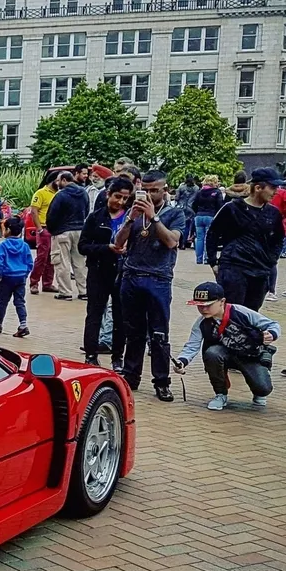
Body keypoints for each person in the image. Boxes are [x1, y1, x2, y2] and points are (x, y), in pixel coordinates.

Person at [114, 170, 185, 401]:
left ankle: (162, 381)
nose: (149, 194)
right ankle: (131, 376)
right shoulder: (134, 212)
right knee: (133, 332)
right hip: (132, 276)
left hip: (158, 278)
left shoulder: (175, 213)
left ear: (165, 190)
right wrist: (130, 218)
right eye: (145, 189)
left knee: (159, 334)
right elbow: (118, 242)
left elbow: (172, 241)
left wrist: (154, 217)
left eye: (154, 190)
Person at [175, 281, 280, 411]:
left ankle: (258, 391)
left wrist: (272, 334)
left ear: (222, 301)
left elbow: (273, 325)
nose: (203, 309)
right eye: (199, 306)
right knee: (212, 353)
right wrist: (182, 361)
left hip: (249, 355)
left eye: (208, 305)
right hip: (223, 355)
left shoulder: (241, 312)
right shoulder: (201, 323)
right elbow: (192, 346)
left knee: (263, 389)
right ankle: (220, 394)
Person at [205, 167, 286, 311]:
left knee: (252, 315)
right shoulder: (232, 208)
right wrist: (213, 262)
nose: (276, 192)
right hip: (233, 267)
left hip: (260, 270)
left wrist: (271, 260)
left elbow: (279, 239)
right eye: (272, 187)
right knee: (233, 312)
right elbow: (213, 233)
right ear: (258, 187)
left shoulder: (273, 213)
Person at [79, 175, 133, 369]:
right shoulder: (95, 217)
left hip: (123, 272)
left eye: (125, 198)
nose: (120, 202)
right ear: (108, 194)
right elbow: (83, 246)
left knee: (120, 317)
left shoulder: (131, 219)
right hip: (99, 270)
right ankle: (91, 355)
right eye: (117, 196)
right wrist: (106, 248)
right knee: (94, 313)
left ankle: (117, 356)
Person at [45, 169, 89, 300]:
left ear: (64, 180)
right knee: (80, 262)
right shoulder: (83, 193)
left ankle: (65, 292)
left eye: (59, 180)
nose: (57, 183)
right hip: (80, 231)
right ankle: (84, 291)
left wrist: (52, 230)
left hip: (62, 232)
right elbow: (86, 211)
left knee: (62, 262)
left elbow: (52, 215)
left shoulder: (60, 195)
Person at [0, 215, 33, 338]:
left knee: (2, 301)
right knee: (20, 302)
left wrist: (0, 273)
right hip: (20, 277)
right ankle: (23, 324)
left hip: (7, 277)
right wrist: (25, 273)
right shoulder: (25, 246)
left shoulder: (3, 246)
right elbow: (30, 262)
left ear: (7, 230)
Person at [27, 171, 58, 294]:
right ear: (53, 181)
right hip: (44, 228)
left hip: (54, 229)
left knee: (52, 258)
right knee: (42, 257)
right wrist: (40, 229)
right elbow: (34, 211)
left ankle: (47, 284)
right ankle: (34, 283)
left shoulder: (57, 194)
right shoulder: (40, 193)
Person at [191, 175, 224, 265]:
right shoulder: (217, 192)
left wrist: (197, 213)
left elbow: (193, 205)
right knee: (208, 238)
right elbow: (220, 206)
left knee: (199, 238)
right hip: (210, 216)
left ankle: (199, 259)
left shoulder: (199, 192)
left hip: (199, 216)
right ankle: (207, 259)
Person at [174, 175, 198, 250]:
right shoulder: (196, 188)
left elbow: (177, 197)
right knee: (188, 226)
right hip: (191, 208)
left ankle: (181, 243)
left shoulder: (181, 187)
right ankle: (185, 242)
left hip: (181, 207)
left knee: (180, 225)